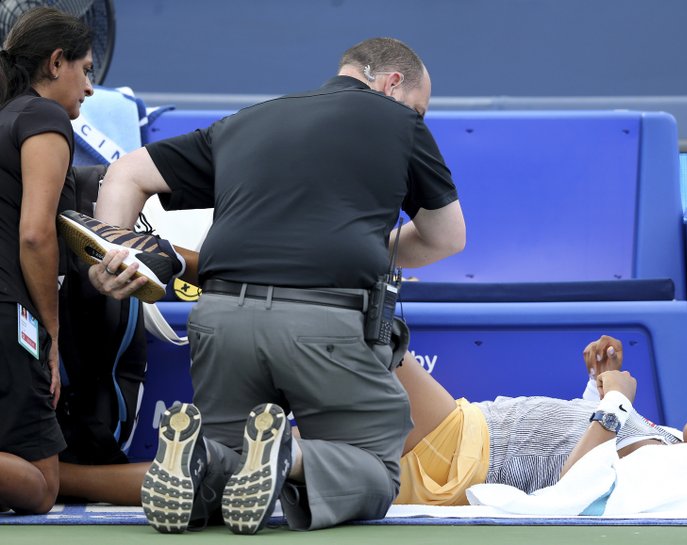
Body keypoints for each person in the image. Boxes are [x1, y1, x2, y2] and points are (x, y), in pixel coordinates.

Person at [63, 37, 465, 534]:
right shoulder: (399, 122)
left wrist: (115, 256)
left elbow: (125, 172)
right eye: (420, 110)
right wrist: (364, 241)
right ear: (391, 83)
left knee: (227, 462)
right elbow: (446, 238)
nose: (418, 119)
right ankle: (287, 452)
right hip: (324, 323)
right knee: (376, 468)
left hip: (221, 319)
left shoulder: (245, 121)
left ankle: (202, 458)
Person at [393, 335, 687, 505]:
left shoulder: (683, 476)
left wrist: (618, 400)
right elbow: (589, 448)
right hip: (460, 438)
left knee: (372, 332)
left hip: (459, 451)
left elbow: (571, 490)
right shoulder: (674, 447)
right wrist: (599, 387)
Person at [0, 7, 94, 514]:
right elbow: (36, 236)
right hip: (10, 315)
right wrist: (52, 335)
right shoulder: (44, 116)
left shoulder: (7, 116)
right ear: (57, 62)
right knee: (40, 488)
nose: (90, 87)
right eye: (86, 70)